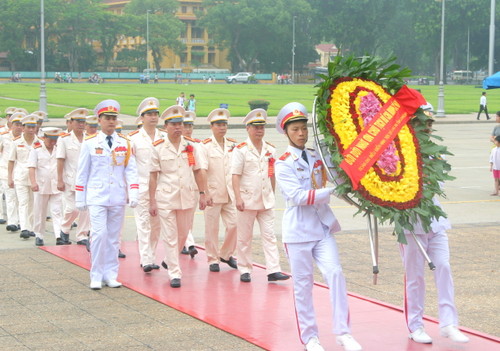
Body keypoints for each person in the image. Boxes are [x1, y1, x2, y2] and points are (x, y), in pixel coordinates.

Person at [274, 102, 362, 351]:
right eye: (296, 130)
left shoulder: (316, 156)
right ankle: (310, 337)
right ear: (286, 133)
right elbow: (298, 197)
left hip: (322, 228)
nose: (301, 134)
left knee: (335, 274)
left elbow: (338, 175)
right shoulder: (282, 163)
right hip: (298, 232)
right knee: (303, 286)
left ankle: (343, 333)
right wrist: (331, 191)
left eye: (304, 129)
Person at [402, 105, 469, 344]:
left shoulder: (436, 152)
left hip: (436, 220)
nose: (428, 127)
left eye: (430, 123)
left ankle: (449, 323)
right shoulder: (401, 152)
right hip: (411, 222)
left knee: (444, 267)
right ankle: (415, 325)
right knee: (414, 276)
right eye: (424, 123)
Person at [75, 99, 138, 290]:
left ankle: (111, 274)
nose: (111, 121)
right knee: (99, 235)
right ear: (99, 120)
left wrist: (134, 192)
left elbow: (131, 170)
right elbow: (82, 171)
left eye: (114, 118)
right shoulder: (90, 143)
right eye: (107, 118)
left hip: (117, 196)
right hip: (97, 196)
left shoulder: (125, 143)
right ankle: (96, 274)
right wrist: (80, 197)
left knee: (113, 238)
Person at [148, 105, 208, 288]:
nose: (178, 127)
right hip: (166, 197)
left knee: (183, 234)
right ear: (165, 127)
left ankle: (168, 259)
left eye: (180, 124)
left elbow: (199, 171)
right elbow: (152, 175)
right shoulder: (158, 147)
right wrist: (152, 200)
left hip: (188, 196)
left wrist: (203, 193)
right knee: (170, 236)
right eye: (173, 124)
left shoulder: (191, 146)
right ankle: (175, 272)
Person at [230, 109, 289, 283]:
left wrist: (272, 192)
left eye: (262, 127)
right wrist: (238, 198)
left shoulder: (270, 148)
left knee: (270, 235)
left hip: (266, 200)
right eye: (255, 127)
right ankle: (245, 269)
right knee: (245, 237)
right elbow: (235, 175)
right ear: (248, 128)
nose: (259, 130)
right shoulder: (241, 150)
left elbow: (272, 174)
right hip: (247, 200)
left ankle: (273, 270)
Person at [199, 108, 238, 272]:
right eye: (219, 125)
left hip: (230, 193)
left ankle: (226, 254)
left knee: (235, 225)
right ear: (212, 126)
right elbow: (202, 170)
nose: (222, 128)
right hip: (213, 193)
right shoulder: (205, 146)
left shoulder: (233, 145)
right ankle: (212, 258)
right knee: (212, 229)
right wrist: (204, 192)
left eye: (224, 124)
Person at [129, 97, 163, 272]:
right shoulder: (133, 138)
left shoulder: (163, 136)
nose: (153, 117)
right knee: (143, 223)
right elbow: (129, 166)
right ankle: (145, 259)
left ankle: (151, 255)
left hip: (160, 188)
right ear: (142, 118)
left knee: (156, 226)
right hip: (141, 186)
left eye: (155, 114)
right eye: (149, 114)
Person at [57, 108, 91, 246]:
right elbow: (60, 160)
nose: (81, 124)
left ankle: (82, 235)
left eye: (83, 122)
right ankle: (64, 229)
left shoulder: (89, 139)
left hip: (86, 180)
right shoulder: (63, 139)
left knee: (85, 210)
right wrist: (59, 179)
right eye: (78, 121)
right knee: (72, 208)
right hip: (70, 179)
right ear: (71, 122)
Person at [28, 127, 64, 246]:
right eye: (51, 140)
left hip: (56, 185)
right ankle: (39, 235)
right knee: (40, 212)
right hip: (41, 186)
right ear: (44, 138)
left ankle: (59, 235)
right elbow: (32, 167)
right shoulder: (36, 149)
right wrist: (33, 182)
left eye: (55, 139)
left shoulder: (58, 148)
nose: (53, 142)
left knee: (57, 211)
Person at [8, 114, 41, 239]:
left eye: (33, 127)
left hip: (35, 178)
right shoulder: (16, 142)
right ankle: (24, 228)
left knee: (33, 203)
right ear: (23, 128)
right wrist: (10, 177)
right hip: (20, 176)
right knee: (23, 202)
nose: (31, 130)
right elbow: (11, 161)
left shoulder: (40, 142)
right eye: (29, 127)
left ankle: (31, 227)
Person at [179, 110, 200, 258]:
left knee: (190, 218)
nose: (188, 129)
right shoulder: (174, 144)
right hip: (179, 187)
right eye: (185, 125)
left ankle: (184, 243)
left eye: (190, 126)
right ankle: (189, 243)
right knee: (182, 218)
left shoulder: (198, 145)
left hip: (194, 186)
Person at [0, 111, 23, 232]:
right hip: (5, 171)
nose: (19, 127)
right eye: (16, 124)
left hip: (20, 172)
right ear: (11, 125)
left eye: (21, 125)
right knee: (10, 197)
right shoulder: (4, 136)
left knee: (21, 199)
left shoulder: (25, 139)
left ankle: (21, 221)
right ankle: (13, 222)